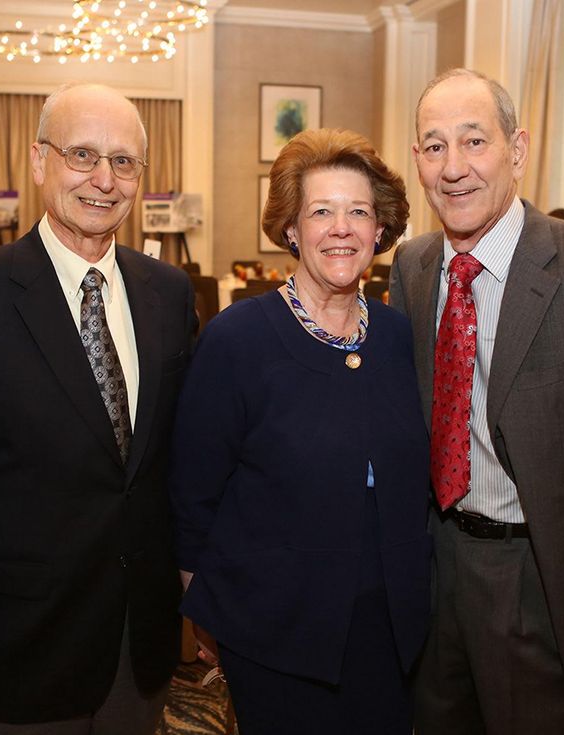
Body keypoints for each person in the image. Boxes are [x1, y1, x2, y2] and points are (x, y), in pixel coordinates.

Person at [0, 83, 196, 735]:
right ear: (39, 162)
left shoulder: (168, 294)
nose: (103, 178)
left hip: (135, 646)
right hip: (18, 652)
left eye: (123, 161)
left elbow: (174, 466)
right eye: (82, 154)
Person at [389, 68, 564, 734]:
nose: (453, 167)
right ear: (418, 163)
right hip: (437, 566)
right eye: (434, 147)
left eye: (474, 142)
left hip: (542, 580)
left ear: (517, 150)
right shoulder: (413, 266)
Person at [170, 129, 431, 735]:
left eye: (358, 212)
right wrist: (206, 610)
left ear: (380, 231)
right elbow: (192, 494)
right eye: (321, 211)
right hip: (275, 632)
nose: (341, 228)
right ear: (291, 228)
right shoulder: (238, 339)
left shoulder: (399, 337)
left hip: (391, 626)